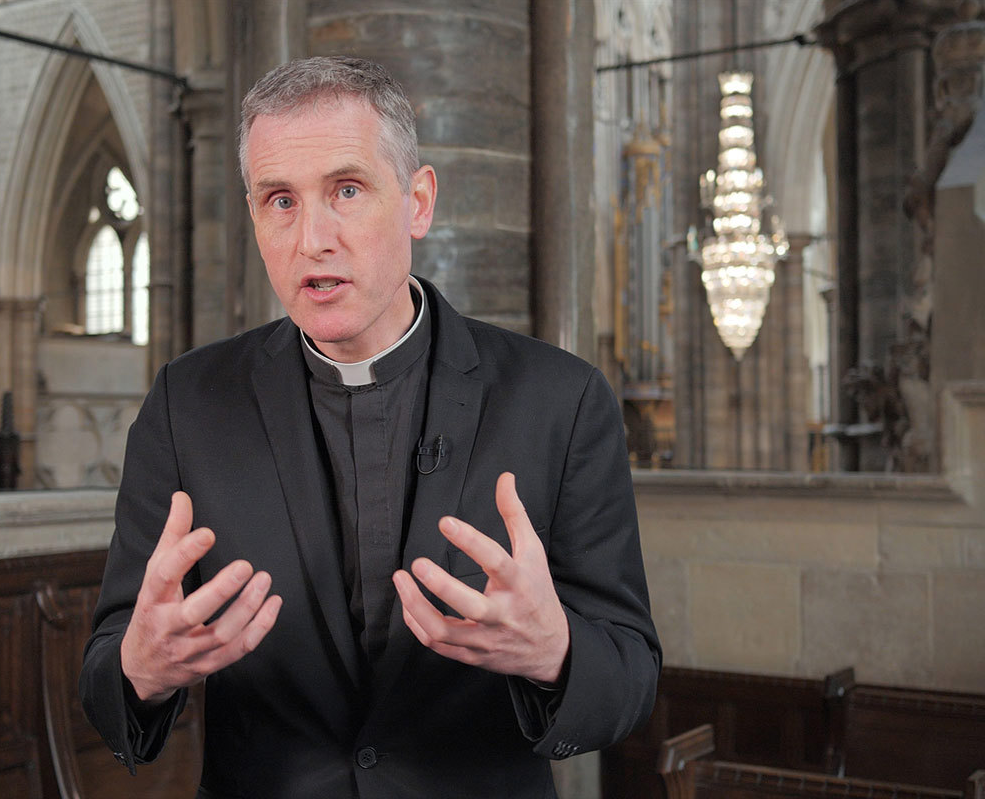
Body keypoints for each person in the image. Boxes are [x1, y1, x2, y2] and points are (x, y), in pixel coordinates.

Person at [80, 55, 660, 799]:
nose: (312, 238)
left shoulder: (560, 399)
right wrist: (139, 669)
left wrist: (557, 652)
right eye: (278, 200)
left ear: (418, 202)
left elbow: (632, 674)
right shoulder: (186, 403)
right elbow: (106, 674)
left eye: (346, 190)